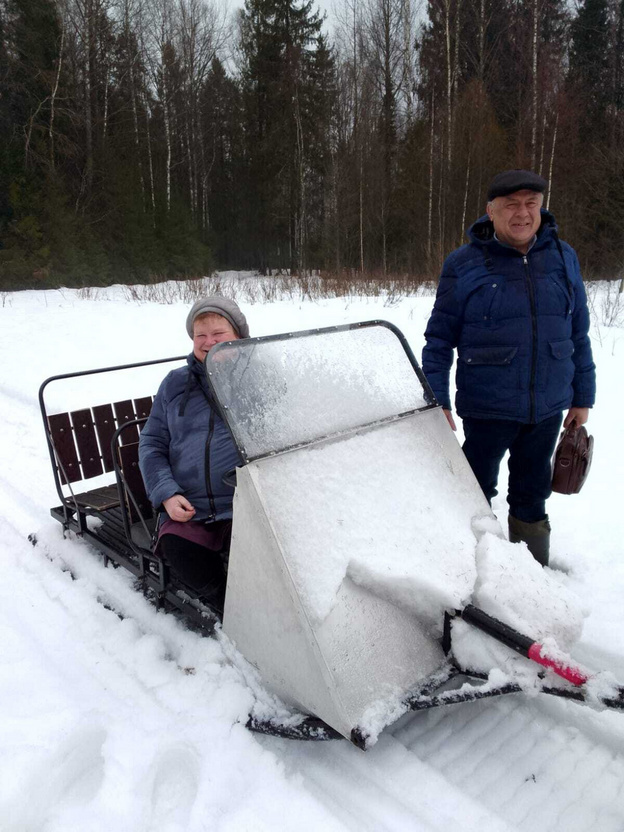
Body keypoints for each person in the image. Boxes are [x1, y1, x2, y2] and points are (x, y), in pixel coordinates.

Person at [422, 169, 596, 566]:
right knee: (472, 492)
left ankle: (532, 579)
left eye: (531, 203)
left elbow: (579, 333)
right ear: (491, 211)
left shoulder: (563, 258)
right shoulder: (463, 264)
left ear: (541, 208)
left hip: (548, 406)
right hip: (487, 407)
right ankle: (462, 571)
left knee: (532, 494)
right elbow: (438, 339)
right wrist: (437, 400)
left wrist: (583, 395)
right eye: (511, 205)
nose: (522, 213)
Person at [139, 296, 249, 612]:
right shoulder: (175, 384)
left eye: (219, 333)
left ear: (239, 335)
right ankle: (226, 607)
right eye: (200, 335)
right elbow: (151, 445)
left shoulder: (259, 377)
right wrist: (167, 495)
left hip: (245, 500)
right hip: (190, 505)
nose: (208, 342)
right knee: (179, 548)